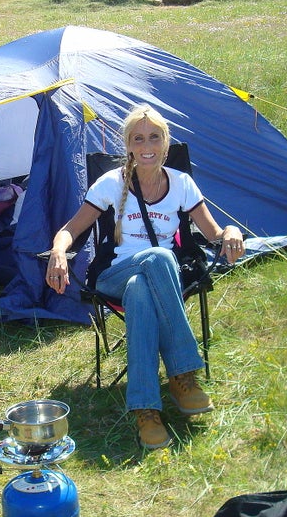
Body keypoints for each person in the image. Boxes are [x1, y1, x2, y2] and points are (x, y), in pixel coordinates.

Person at [46, 104, 245, 449]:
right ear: (129, 145)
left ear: (165, 143)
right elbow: (71, 229)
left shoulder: (182, 184)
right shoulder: (110, 183)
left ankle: (146, 411)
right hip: (113, 276)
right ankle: (182, 373)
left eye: (154, 137)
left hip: (154, 279)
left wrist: (229, 230)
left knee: (142, 289)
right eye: (138, 139)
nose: (146, 145)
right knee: (157, 256)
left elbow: (213, 233)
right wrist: (58, 252)